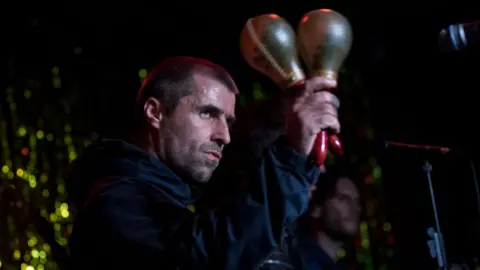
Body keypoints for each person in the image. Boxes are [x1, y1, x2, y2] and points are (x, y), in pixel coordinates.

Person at [67, 56, 340, 269]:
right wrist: (290, 157)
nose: (224, 136)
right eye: (208, 113)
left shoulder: (166, 204)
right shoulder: (115, 202)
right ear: (155, 112)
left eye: (228, 122)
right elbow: (202, 256)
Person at [259, 164, 361, 270]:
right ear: (317, 209)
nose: (354, 208)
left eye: (357, 202)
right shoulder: (295, 258)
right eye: (343, 199)